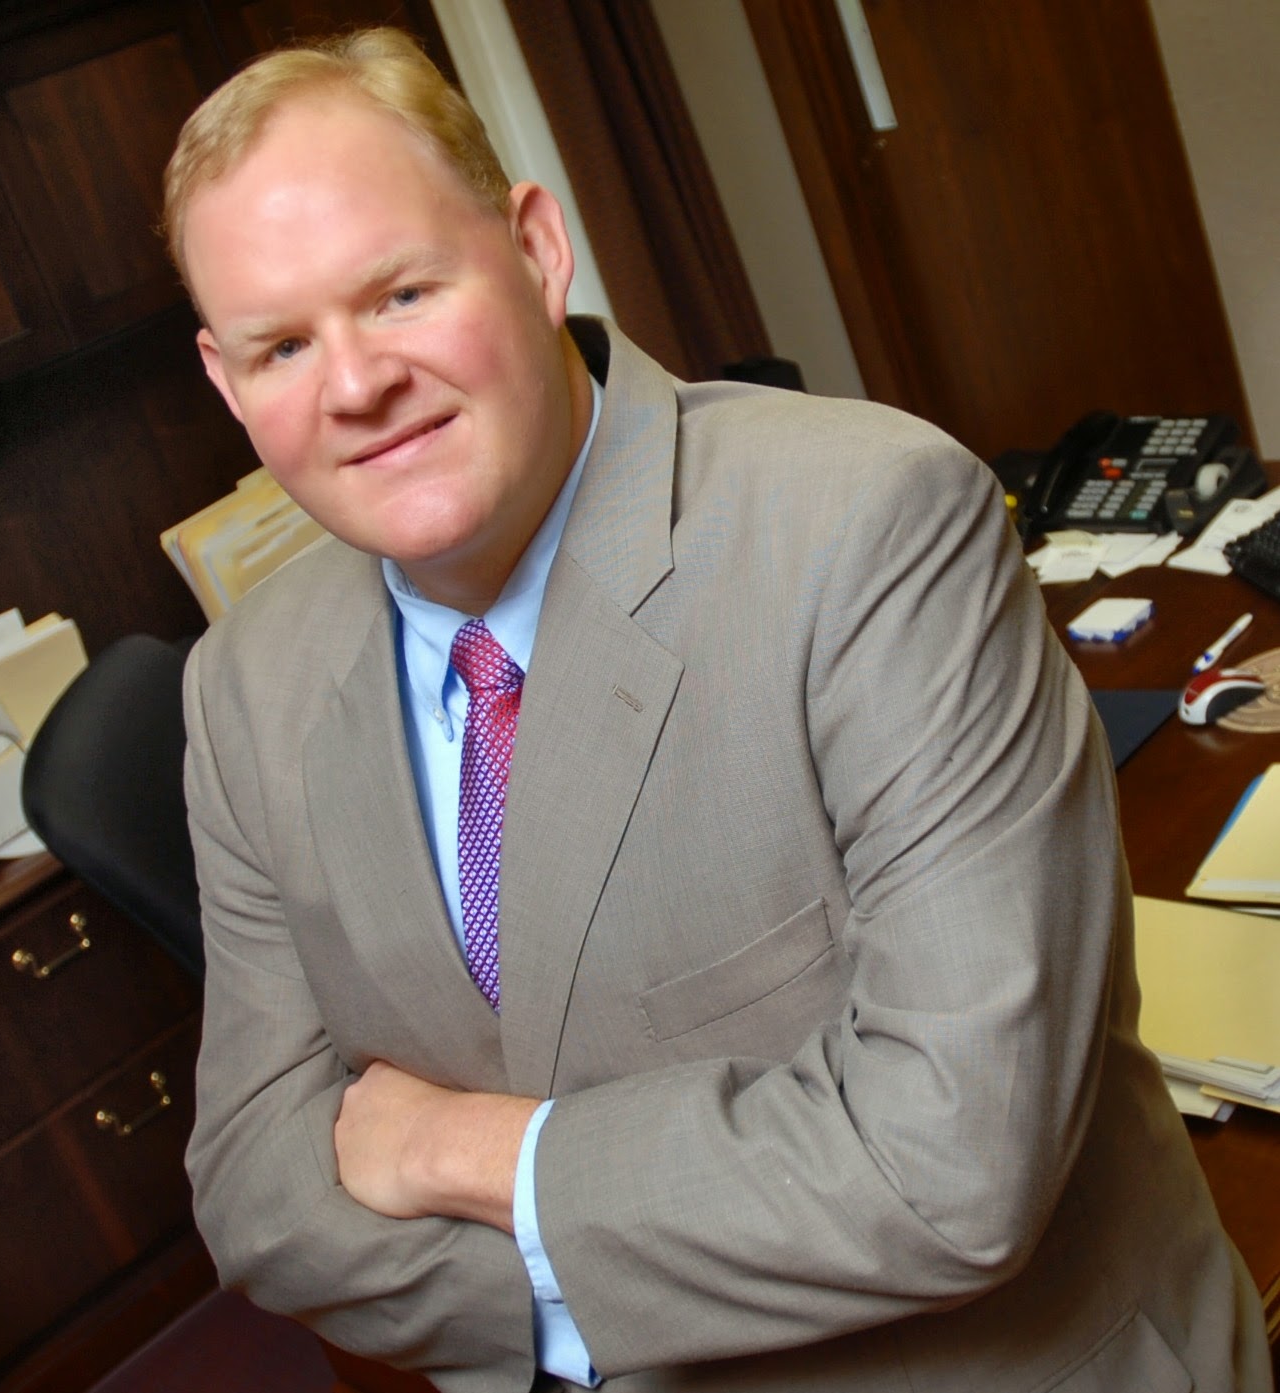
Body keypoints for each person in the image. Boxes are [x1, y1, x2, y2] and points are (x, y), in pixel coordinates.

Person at [163, 26, 1271, 1393]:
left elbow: (952, 1171)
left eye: (400, 293)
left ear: (536, 249)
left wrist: (461, 1150)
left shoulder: (871, 526)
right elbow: (260, 1194)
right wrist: (597, 1284)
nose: (354, 386)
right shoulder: (242, 687)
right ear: (228, 382)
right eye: (282, 345)